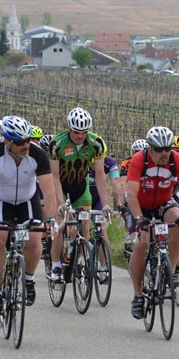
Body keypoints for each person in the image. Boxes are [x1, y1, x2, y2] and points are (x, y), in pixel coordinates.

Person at [0, 116, 58, 314]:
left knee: (34, 238)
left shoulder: (38, 155)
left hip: (27, 201)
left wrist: (51, 219)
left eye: (28, 140)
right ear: (7, 141)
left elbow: (48, 191)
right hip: (1, 202)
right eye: (20, 142)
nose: (26, 145)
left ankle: (28, 279)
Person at [125, 125, 179, 319]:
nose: (164, 153)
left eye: (168, 148)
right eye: (159, 149)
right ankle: (138, 296)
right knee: (141, 244)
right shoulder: (139, 160)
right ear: (150, 148)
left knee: (178, 223)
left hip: (164, 202)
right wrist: (139, 218)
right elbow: (130, 194)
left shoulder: (177, 160)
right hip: (140, 204)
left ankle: (168, 271)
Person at [47, 107, 110, 281]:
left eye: (83, 132)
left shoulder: (96, 143)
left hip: (80, 188)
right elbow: (54, 176)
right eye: (76, 132)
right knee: (59, 225)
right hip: (60, 185)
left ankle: (80, 259)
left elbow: (99, 175)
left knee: (84, 225)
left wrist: (105, 204)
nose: (80, 136)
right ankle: (56, 266)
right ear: (69, 128)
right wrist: (60, 202)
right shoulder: (57, 144)